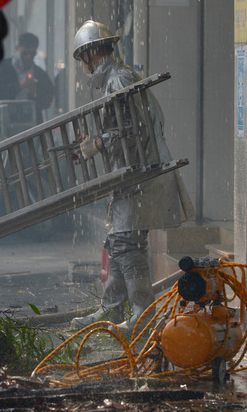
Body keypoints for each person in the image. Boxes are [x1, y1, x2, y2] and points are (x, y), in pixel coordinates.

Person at [70, 20, 195, 333]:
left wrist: (98, 143)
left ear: (90, 54)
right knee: (119, 242)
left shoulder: (119, 78)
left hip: (141, 179)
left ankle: (143, 315)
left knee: (127, 245)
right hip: (133, 178)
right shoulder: (117, 77)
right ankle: (111, 310)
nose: (84, 68)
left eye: (83, 60)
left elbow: (133, 130)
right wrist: (97, 142)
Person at [0, 32, 55, 124]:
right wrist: (19, 85)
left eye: (32, 54)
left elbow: (48, 98)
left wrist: (35, 92)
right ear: (17, 49)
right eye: (25, 53)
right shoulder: (3, 68)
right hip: (7, 121)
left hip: (32, 123)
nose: (28, 57)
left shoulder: (40, 73)